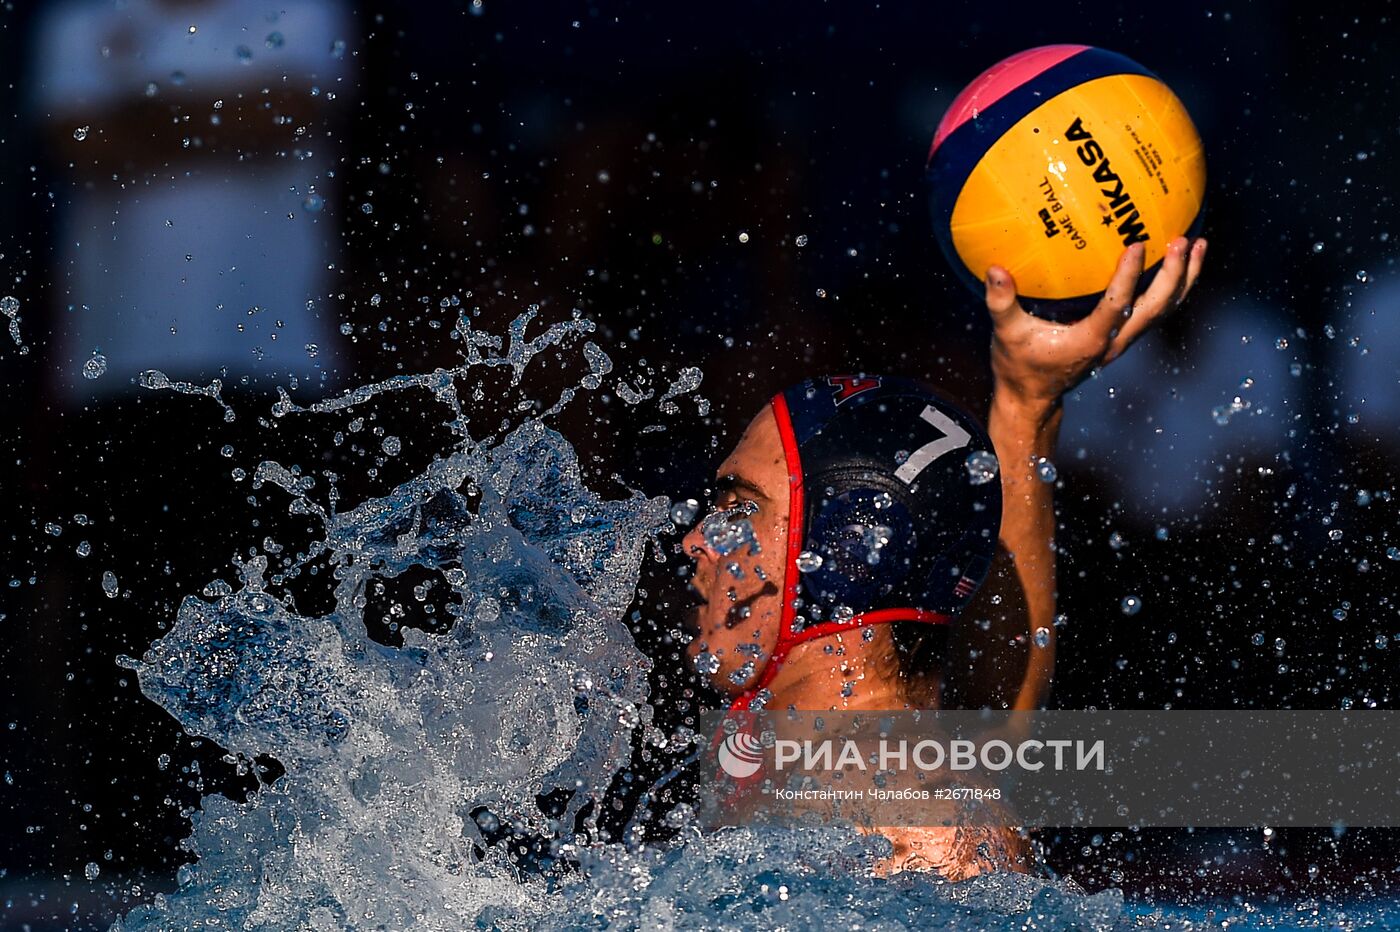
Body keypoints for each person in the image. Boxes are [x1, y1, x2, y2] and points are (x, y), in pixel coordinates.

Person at [682, 236, 1208, 877]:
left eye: (741, 509)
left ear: (843, 553)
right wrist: (1025, 403)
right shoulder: (851, 770)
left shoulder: (921, 832)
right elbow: (988, 729)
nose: (698, 540)